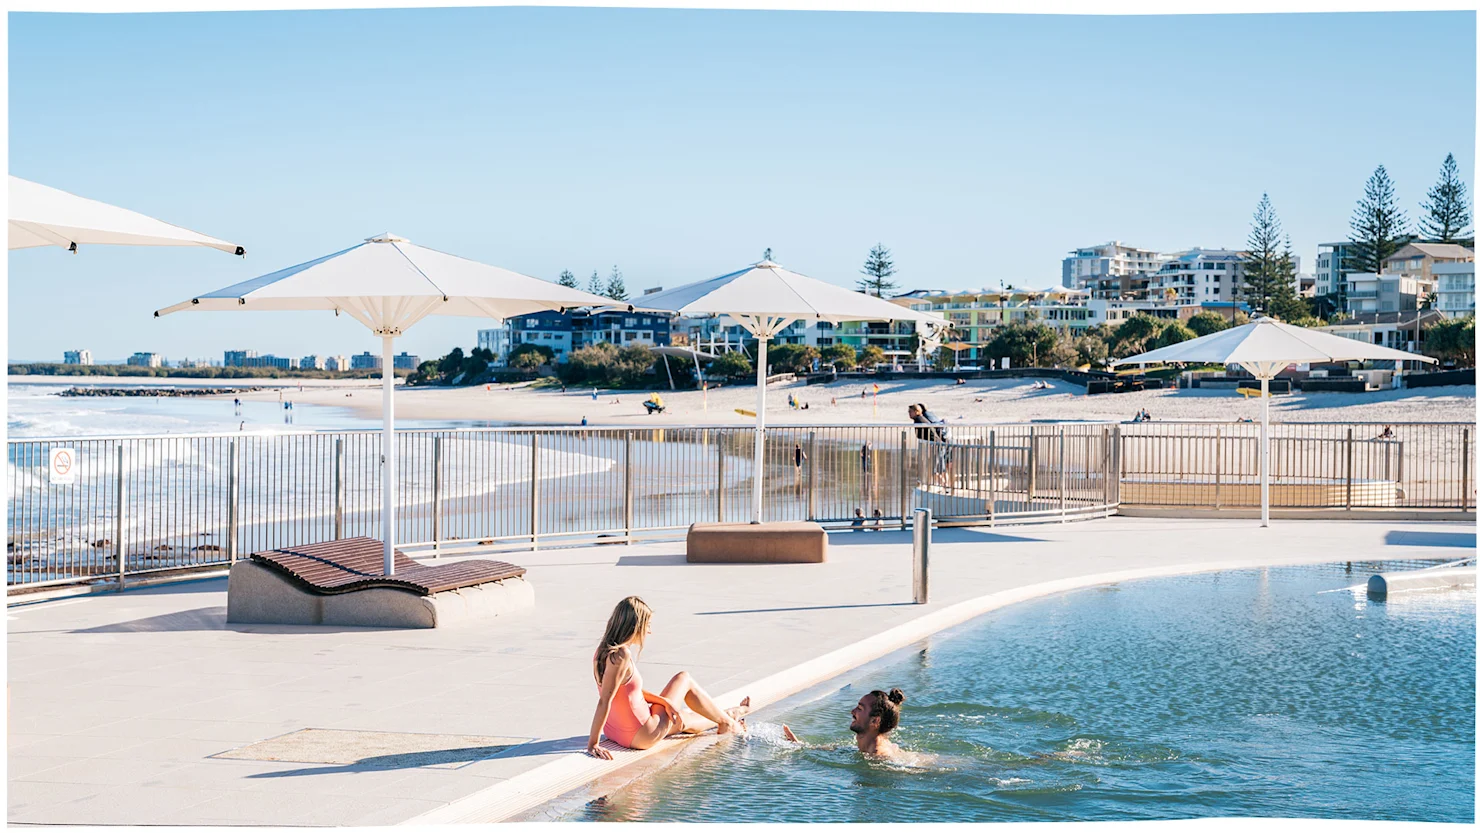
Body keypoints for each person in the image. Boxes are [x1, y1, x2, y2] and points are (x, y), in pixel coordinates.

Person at [587, 596, 748, 758]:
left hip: (614, 730)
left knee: (683, 719)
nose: (649, 631)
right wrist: (593, 744)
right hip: (640, 733)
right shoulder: (622, 655)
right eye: (647, 626)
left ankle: (729, 715)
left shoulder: (602, 651)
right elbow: (604, 701)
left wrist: (665, 701)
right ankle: (728, 722)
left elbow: (625, 693)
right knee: (683, 678)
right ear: (636, 626)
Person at [782, 688, 907, 759]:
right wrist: (800, 746)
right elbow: (839, 750)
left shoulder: (877, 758)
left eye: (860, 708)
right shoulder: (869, 748)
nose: (852, 711)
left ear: (875, 720)